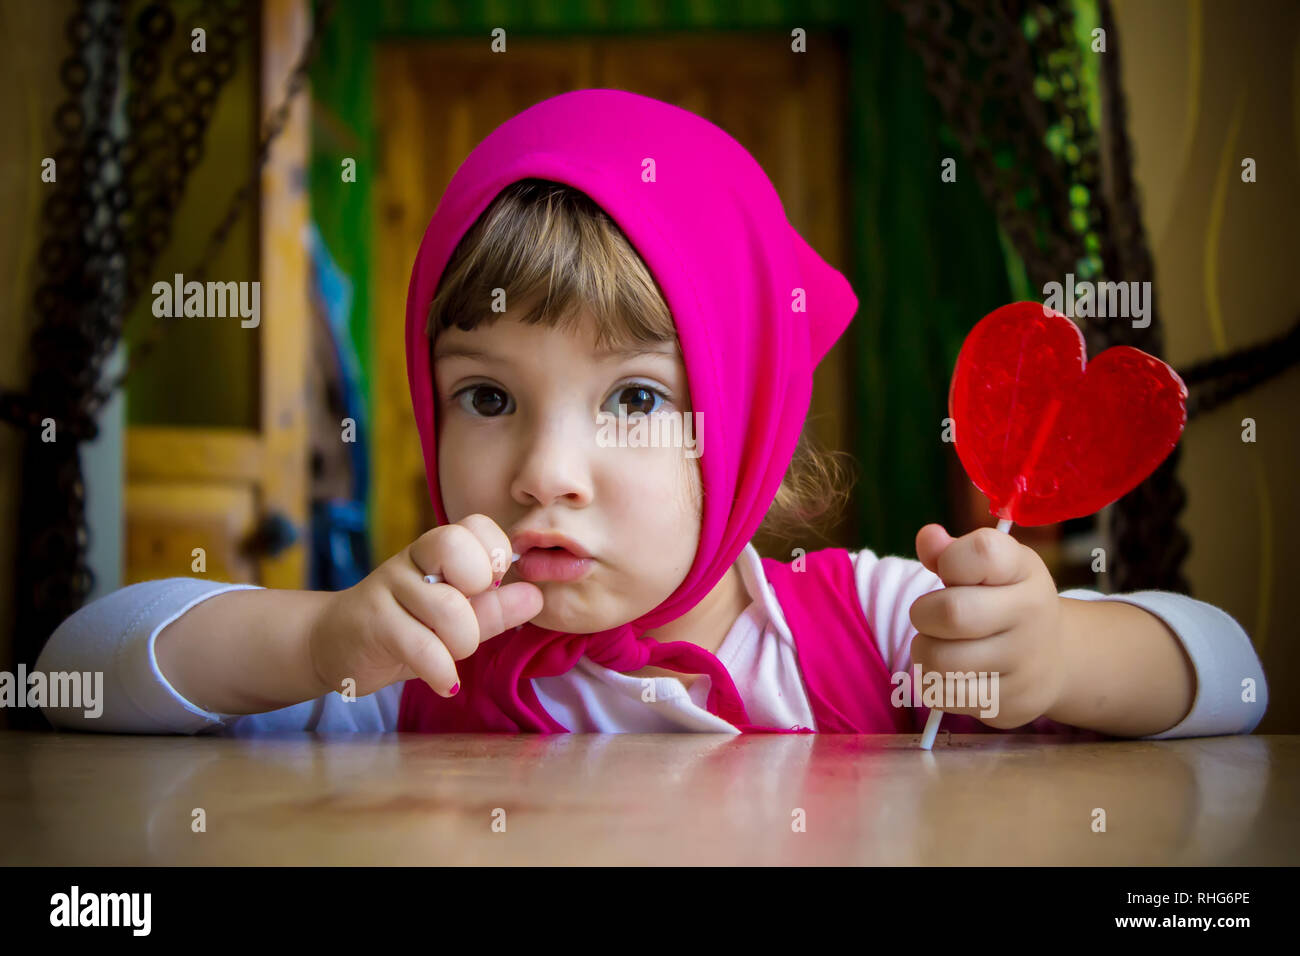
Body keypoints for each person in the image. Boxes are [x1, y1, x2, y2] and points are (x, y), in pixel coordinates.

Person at [37, 90, 1267, 739]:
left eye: (634, 396)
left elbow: (1231, 674)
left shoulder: (890, 629)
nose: (543, 471)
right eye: (486, 396)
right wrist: (312, 645)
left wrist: (1055, 658)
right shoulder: (404, 661)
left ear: (745, 416)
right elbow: (73, 671)